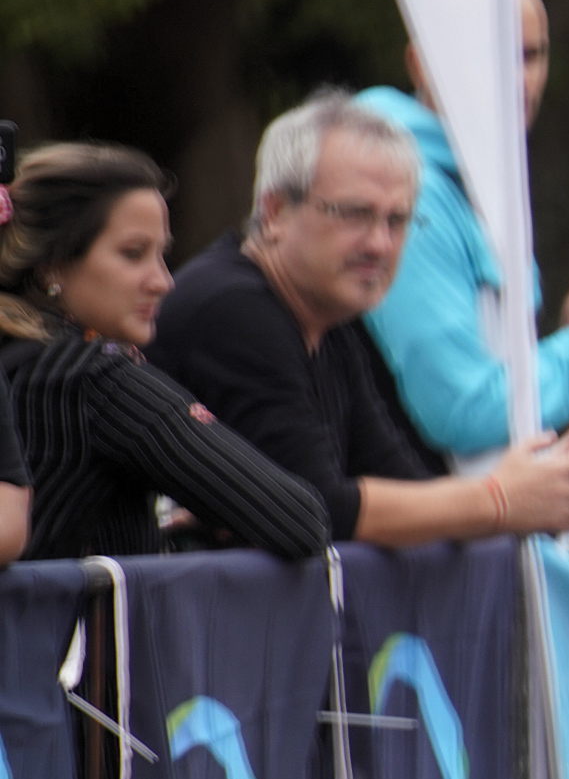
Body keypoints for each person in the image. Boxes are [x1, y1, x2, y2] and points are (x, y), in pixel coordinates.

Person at [149, 93, 569, 544]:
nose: (380, 245)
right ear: (274, 213)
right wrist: (499, 501)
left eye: (398, 220)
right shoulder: (233, 310)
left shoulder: (332, 317)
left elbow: (401, 484)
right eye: (355, 214)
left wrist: (545, 491)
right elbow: (316, 507)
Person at [359, 0, 569, 459]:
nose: (520, 81)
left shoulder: (477, 180)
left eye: (531, 55)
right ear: (420, 64)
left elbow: (491, 396)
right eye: (492, 57)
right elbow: (460, 410)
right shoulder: (408, 189)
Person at [0, 144, 327, 560]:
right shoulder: (93, 376)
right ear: (53, 264)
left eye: (163, 255)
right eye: (134, 254)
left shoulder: (19, 357)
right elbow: (299, 521)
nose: (164, 281)